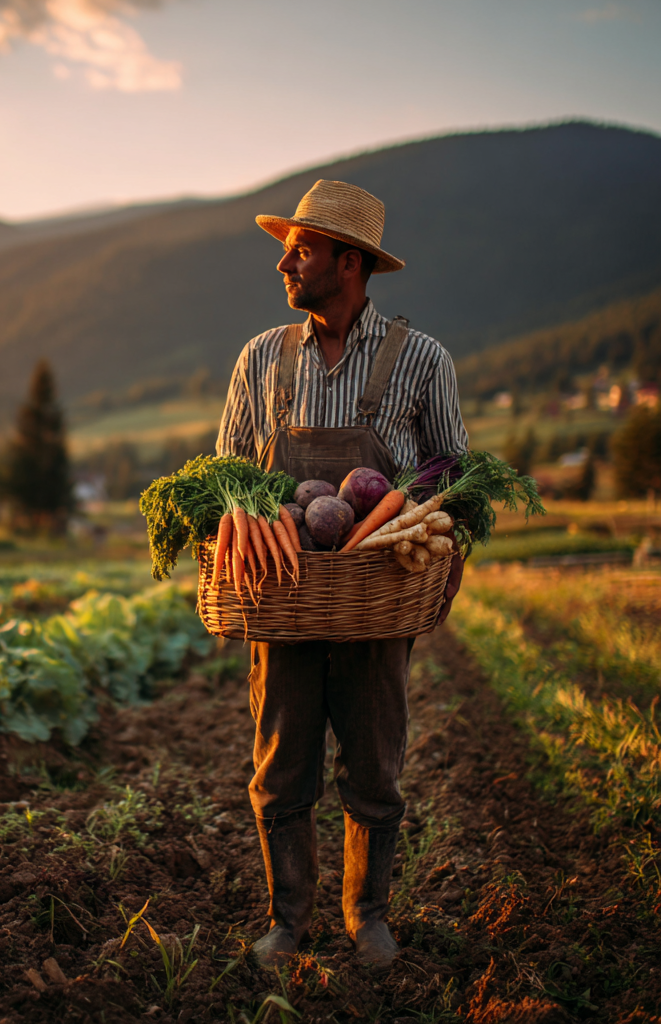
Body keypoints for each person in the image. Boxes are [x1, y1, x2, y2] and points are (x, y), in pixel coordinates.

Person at [215, 179, 467, 973]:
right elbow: (228, 472)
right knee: (279, 766)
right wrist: (246, 527)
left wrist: (416, 525)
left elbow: (449, 474)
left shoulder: (422, 359)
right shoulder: (261, 358)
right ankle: (288, 921)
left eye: (302, 248)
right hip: (281, 589)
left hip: (374, 597)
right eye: (288, 247)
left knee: (374, 766)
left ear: (349, 262)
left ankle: (369, 919)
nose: (285, 261)